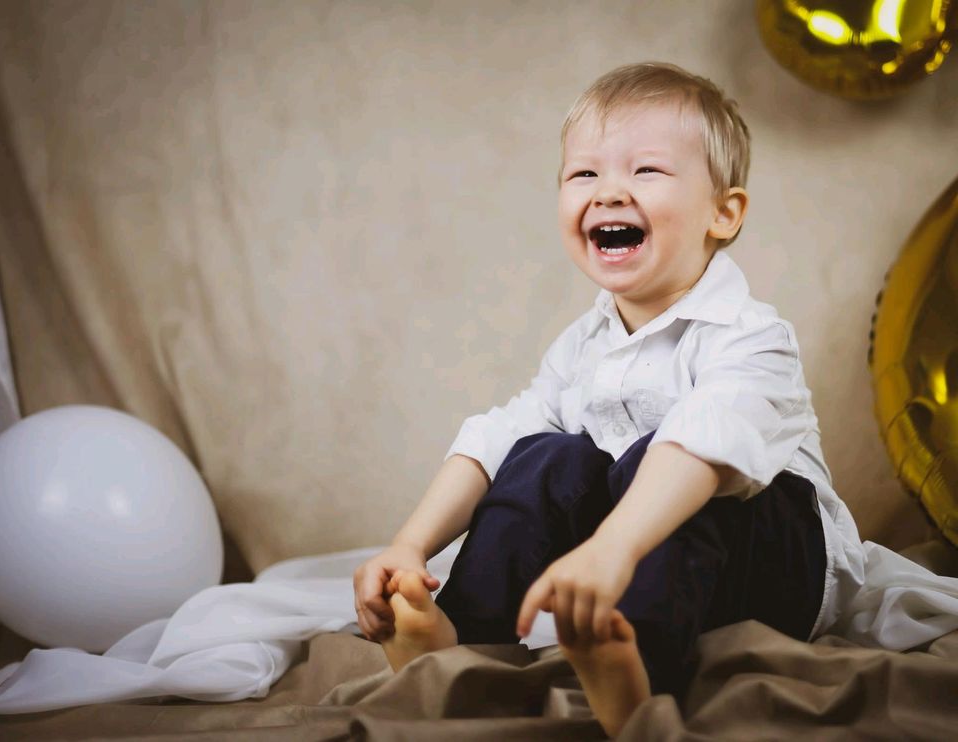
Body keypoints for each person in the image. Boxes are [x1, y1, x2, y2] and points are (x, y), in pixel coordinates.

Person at [353, 61, 849, 737]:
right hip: (640, 562)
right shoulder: (582, 345)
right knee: (543, 455)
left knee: (664, 454)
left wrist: (613, 548)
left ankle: (636, 668)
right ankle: (464, 639)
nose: (610, 191)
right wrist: (409, 545)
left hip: (776, 564)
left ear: (722, 213)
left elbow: (707, 436)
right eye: (585, 174)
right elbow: (499, 438)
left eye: (646, 171)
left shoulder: (752, 337)